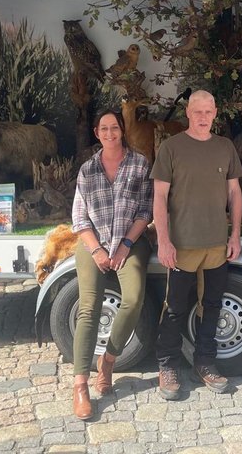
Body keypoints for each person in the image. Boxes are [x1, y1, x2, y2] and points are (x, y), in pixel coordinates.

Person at [151, 90, 242, 400]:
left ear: (215, 113)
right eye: (197, 112)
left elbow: (235, 193)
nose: (203, 117)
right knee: (175, 308)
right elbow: (159, 196)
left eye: (208, 111)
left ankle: (205, 363)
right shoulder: (171, 148)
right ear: (188, 114)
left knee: (212, 305)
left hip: (216, 244)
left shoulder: (224, 147)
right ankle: (168, 366)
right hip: (182, 246)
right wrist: (164, 241)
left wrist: (235, 234)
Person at [70, 108, 153, 420]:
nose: (109, 133)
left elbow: (145, 211)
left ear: (122, 130)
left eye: (114, 127)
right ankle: (80, 386)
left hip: (130, 242)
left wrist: (125, 246)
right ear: (96, 133)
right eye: (103, 128)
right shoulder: (87, 170)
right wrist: (96, 251)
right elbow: (79, 217)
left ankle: (108, 359)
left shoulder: (139, 164)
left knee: (133, 299)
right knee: (88, 308)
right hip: (93, 244)